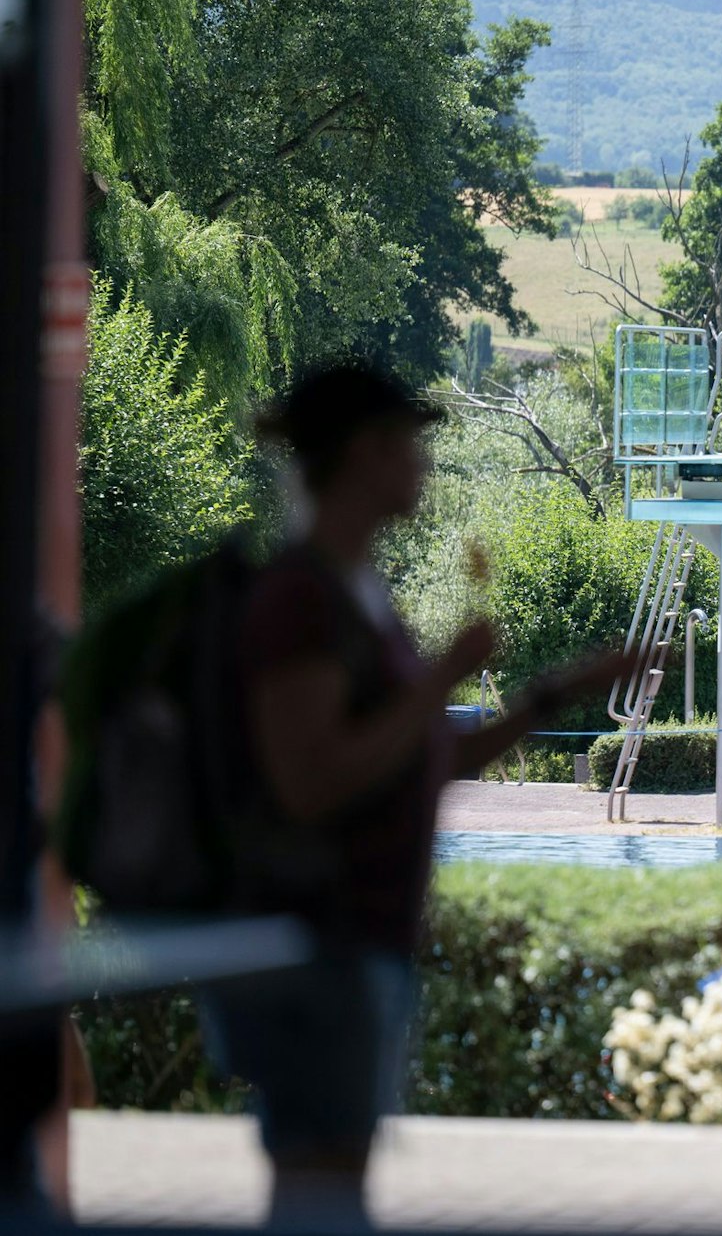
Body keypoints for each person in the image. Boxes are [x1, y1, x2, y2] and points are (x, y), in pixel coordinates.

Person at [207, 364, 642, 1230]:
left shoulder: (357, 594)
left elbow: (426, 759)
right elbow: (312, 780)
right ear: (363, 454)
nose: (424, 464)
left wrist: (558, 691)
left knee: (332, 1187)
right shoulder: (301, 597)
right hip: (317, 947)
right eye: (410, 444)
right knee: (317, 1196)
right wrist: (442, 675)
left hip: (360, 941)